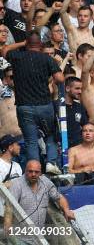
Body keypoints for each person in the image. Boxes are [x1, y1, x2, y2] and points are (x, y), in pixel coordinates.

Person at [2, 32, 64, 175]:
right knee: (50, 135)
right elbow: (60, 78)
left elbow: (4, 50)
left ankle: (34, 170)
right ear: (41, 45)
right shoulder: (46, 58)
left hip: (24, 107)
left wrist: (22, 43)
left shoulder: (17, 57)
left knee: (31, 140)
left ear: (27, 44)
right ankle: (51, 163)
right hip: (44, 105)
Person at [4, 160, 75, 240]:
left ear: (40, 173)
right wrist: (8, 230)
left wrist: (66, 210)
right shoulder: (17, 184)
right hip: (21, 237)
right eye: (30, 171)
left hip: (40, 237)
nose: (33, 174)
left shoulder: (45, 182)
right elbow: (9, 208)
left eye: (36, 172)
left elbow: (59, 197)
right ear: (25, 171)